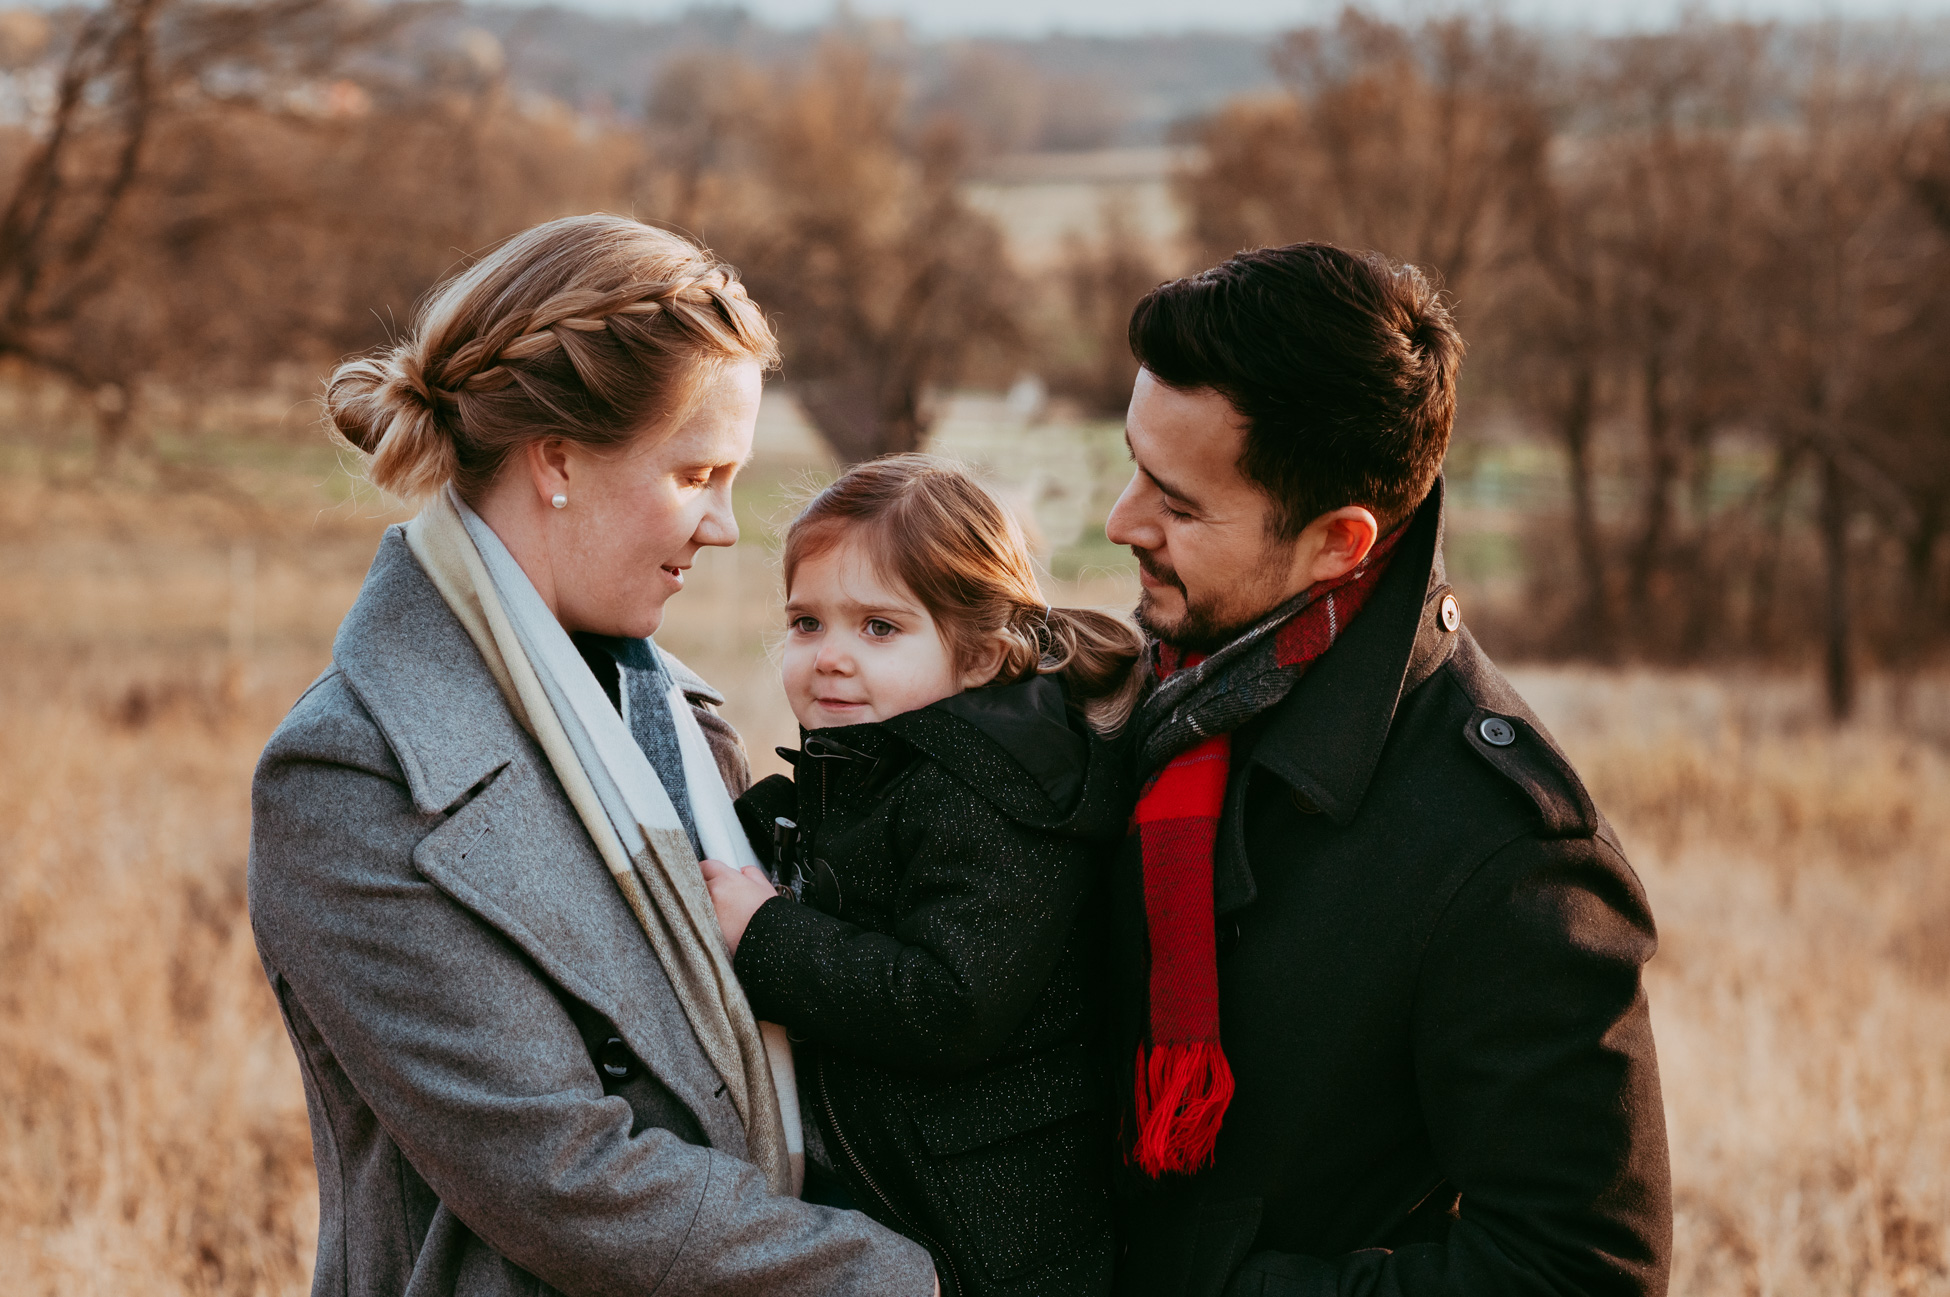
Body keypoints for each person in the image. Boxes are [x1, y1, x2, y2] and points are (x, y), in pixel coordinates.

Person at [247, 214, 937, 1296]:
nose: (722, 527)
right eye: (697, 473)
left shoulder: (676, 718)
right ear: (558, 458)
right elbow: (563, 1179)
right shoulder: (353, 776)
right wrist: (902, 1279)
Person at [1098, 244, 1672, 1297]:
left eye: (1177, 506)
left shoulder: (1507, 853)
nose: (1121, 520)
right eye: (1133, 461)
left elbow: (1580, 1271)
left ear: (1337, 543)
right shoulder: (1144, 696)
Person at [698, 456, 1140, 1297]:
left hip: (996, 1245)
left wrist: (767, 934)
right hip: (910, 1206)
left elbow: (949, 1002)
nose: (828, 657)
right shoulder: (876, 768)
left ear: (977, 655)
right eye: (806, 623)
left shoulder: (991, 799)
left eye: (878, 628)